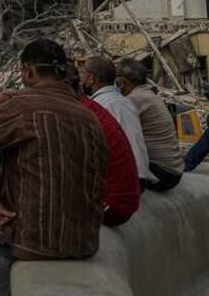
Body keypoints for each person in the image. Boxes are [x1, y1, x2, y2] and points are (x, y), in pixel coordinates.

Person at [0, 38, 108, 295]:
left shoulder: (22, 104)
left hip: (28, 238)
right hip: (82, 241)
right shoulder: (89, 117)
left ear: (27, 71)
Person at [68, 65, 141, 227]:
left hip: (115, 203)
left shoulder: (89, 110)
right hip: (135, 186)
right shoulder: (106, 103)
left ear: (91, 79)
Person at [81, 56, 156, 185]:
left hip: (126, 179)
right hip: (140, 175)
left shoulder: (100, 106)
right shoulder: (124, 102)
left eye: (82, 73)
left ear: (91, 78)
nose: (80, 79)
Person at [116, 58, 184, 191]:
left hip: (162, 174)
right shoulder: (148, 95)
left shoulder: (134, 99)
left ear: (122, 81)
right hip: (173, 170)